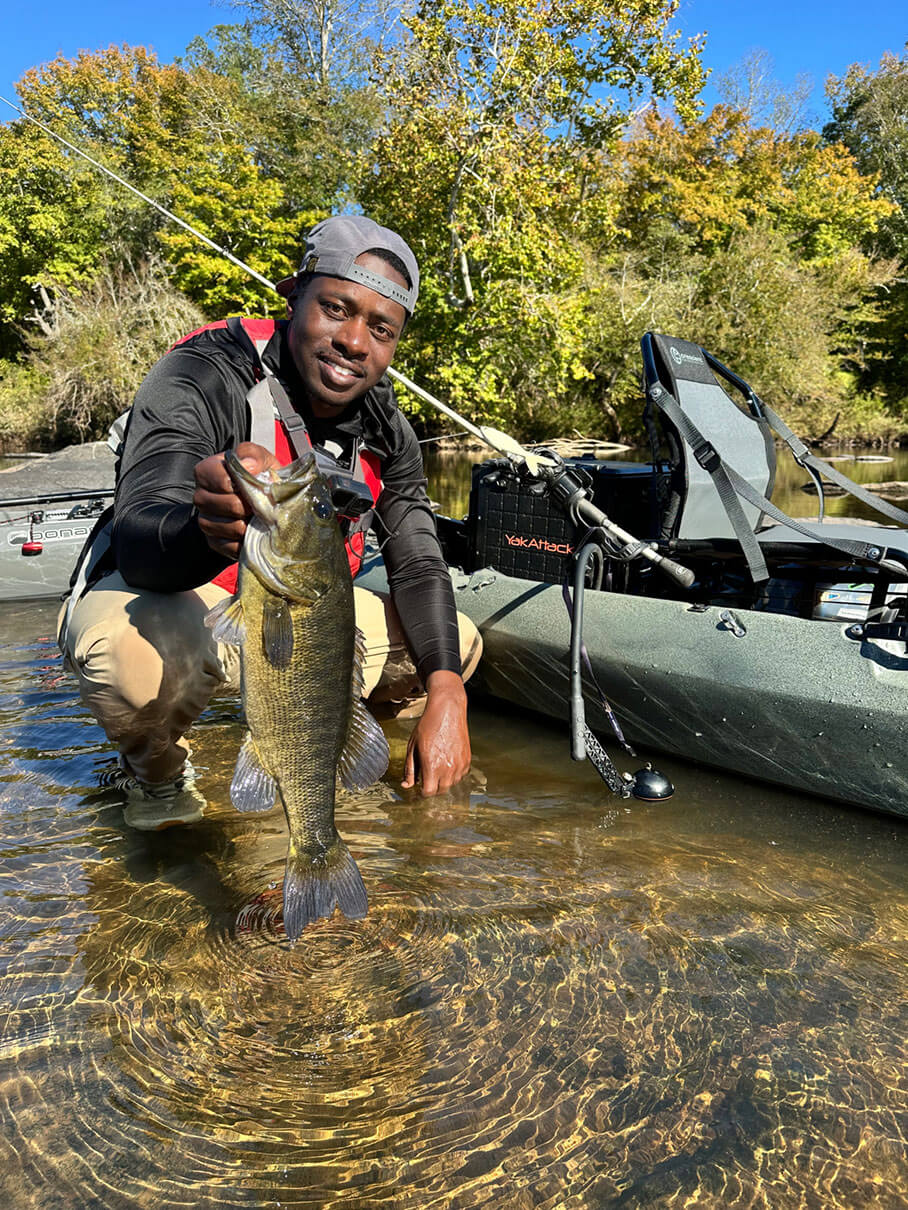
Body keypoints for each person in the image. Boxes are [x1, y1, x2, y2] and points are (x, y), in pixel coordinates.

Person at [59, 215, 481, 830]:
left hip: (299, 618)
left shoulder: (388, 428)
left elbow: (417, 559)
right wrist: (201, 528)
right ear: (293, 296)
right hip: (180, 598)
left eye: (381, 329)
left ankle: (326, 765)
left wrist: (447, 691)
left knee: (452, 650)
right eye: (336, 308)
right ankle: (156, 779)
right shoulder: (202, 374)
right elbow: (141, 535)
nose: (355, 342)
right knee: (129, 659)